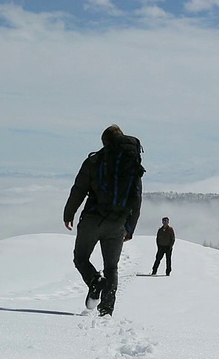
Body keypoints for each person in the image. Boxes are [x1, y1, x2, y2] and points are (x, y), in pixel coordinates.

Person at [63, 124, 143, 317]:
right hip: (118, 223)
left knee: (80, 258)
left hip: (92, 219)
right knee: (111, 267)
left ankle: (95, 281)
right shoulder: (131, 163)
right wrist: (130, 227)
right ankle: (107, 309)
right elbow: (137, 197)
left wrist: (68, 214)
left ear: (104, 141)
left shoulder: (95, 161)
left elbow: (79, 189)